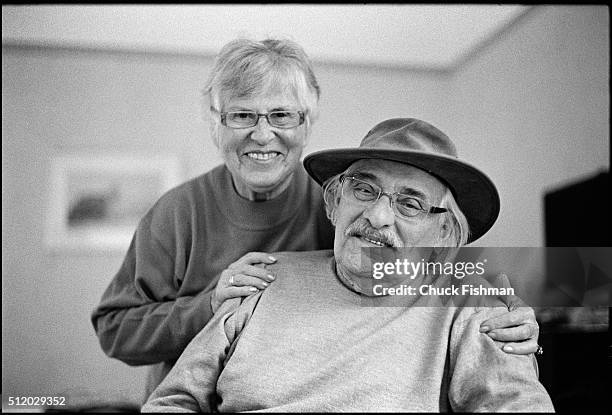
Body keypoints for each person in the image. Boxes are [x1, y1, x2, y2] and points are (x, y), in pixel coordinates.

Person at [91, 38, 541, 401]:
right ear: (217, 125)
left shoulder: (353, 211)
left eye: (282, 115)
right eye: (242, 115)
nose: (262, 134)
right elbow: (114, 330)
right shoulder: (175, 213)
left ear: (307, 124)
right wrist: (208, 306)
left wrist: (512, 311)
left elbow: (430, 264)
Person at [141, 118, 554, 412]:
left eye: (409, 203)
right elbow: (174, 400)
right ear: (336, 202)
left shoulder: (470, 305)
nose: (377, 216)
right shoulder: (266, 278)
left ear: (444, 233)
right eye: (364, 189)